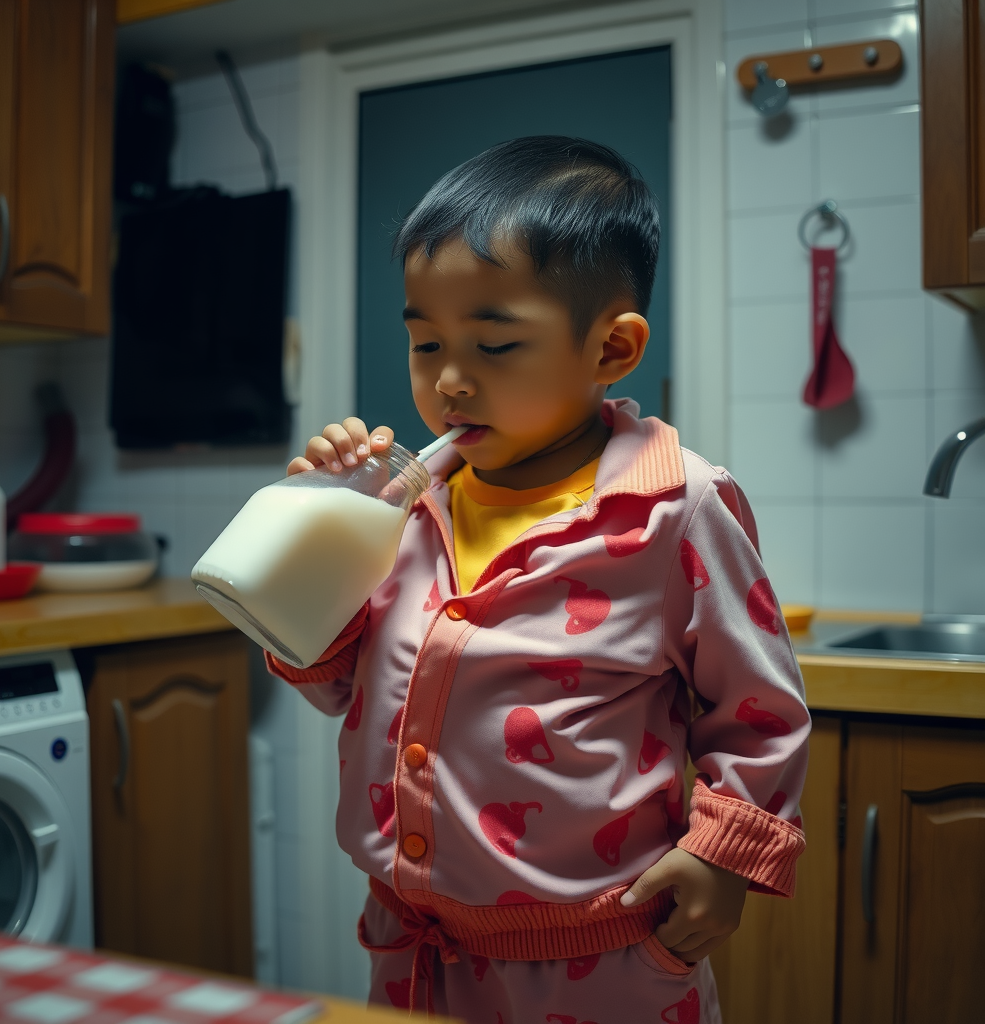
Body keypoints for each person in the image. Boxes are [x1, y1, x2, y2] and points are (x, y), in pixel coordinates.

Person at [267, 136, 809, 1022]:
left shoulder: (675, 510)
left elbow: (759, 712)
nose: (448, 380)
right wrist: (318, 543)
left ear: (612, 349)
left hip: (602, 960)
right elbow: (336, 688)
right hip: (412, 951)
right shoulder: (405, 507)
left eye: (493, 344)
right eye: (426, 343)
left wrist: (724, 859)